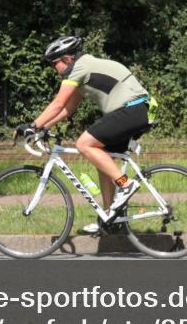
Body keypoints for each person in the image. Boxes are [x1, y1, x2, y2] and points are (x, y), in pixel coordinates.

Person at [15, 35, 154, 234]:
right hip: (135, 110)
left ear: (67, 59)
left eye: (55, 64)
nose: (54, 69)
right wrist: (42, 128)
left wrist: (32, 125)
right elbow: (67, 109)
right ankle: (109, 218)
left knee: (84, 144)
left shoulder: (80, 68)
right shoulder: (82, 71)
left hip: (131, 109)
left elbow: (57, 103)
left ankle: (126, 184)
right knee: (102, 159)